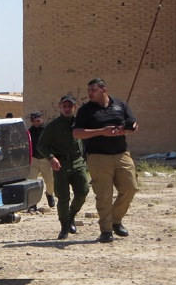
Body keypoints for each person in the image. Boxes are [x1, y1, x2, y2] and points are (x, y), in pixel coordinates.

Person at [73, 78, 139, 243]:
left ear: (103, 89)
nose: (89, 93)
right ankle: (106, 230)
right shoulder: (86, 110)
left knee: (130, 188)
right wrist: (102, 131)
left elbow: (134, 124)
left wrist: (129, 128)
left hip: (122, 153)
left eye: (93, 89)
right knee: (104, 195)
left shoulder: (120, 105)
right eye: (88, 90)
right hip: (98, 156)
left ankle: (116, 220)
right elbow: (77, 133)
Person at [38, 95, 91, 239]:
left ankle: (71, 216)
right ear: (60, 107)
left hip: (78, 162)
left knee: (83, 191)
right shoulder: (53, 126)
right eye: (64, 106)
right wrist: (51, 158)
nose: (67, 109)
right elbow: (41, 145)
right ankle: (64, 226)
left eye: (70, 106)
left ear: (75, 107)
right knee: (63, 197)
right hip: (60, 164)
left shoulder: (79, 123)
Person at [27, 111, 56, 209]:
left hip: (46, 159)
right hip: (33, 159)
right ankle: (32, 203)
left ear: (42, 118)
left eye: (38, 120)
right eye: (34, 121)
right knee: (32, 183)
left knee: (50, 181)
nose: (36, 123)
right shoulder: (29, 132)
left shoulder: (47, 130)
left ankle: (49, 194)